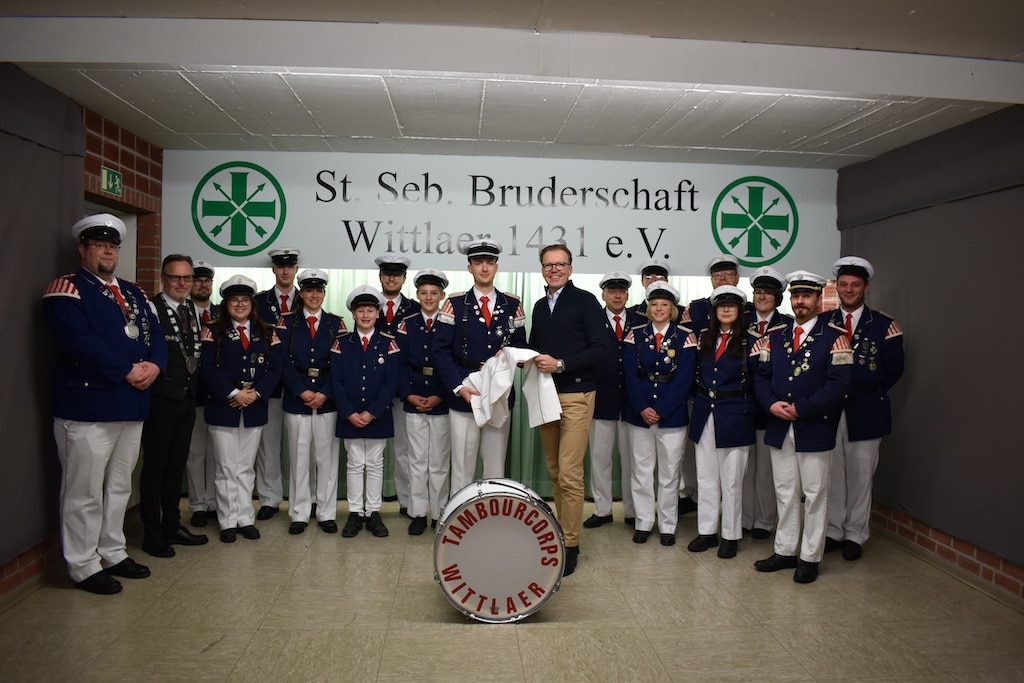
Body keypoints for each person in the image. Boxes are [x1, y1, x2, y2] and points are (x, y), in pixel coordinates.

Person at [43, 213, 166, 594]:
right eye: (99, 245)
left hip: (132, 406)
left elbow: (156, 334)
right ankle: (82, 564)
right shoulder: (67, 289)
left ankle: (112, 550)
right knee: (84, 493)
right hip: (89, 409)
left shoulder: (135, 292)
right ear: (83, 249)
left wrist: (155, 365)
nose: (107, 252)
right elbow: (79, 341)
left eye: (112, 246)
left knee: (119, 487)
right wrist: (126, 370)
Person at [753, 271, 852, 584]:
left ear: (818, 299)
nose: (800, 302)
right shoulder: (775, 336)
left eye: (806, 296)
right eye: (796, 296)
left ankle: (810, 557)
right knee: (785, 492)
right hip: (780, 425)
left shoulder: (835, 337)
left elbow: (839, 384)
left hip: (815, 426)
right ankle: (784, 550)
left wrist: (802, 408)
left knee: (814, 494)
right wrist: (771, 404)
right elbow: (761, 377)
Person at [529, 244, 610, 576]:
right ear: (542, 269)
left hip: (577, 394)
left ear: (571, 268)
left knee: (569, 472)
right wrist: (520, 356)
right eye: (549, 265)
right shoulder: (539, 306)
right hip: (545, 395)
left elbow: (601, 348)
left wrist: (561, 364)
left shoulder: (586, 301)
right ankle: (561, 533)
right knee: (554, 471)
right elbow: (536, 348)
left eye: (560, 264)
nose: (554, 270)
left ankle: (571, 545)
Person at [825, 256, 905, 561]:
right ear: (837, 287)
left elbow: (894, 369)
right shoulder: (824, 323)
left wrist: (868, 391)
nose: (849, 290)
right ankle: (833, 530)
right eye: (844, 284)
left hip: (867, 408)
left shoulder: (885, 325)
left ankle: (855, 534)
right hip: (830, 409)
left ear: (866, 287)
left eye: (855, 285)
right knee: (832, 472)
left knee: (861, 475)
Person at [434, 240, 526, 493]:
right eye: (478, 263)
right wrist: (458, 387)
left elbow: (520, 345)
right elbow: (440, 351)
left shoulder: (512, 304)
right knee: (462, 466)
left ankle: (492, 514)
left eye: (489, 262)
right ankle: (459, 514)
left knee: (495, 467)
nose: (484, 268)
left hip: (499, 393)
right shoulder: (454, 303)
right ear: (470, 268)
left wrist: (509, 354)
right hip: (465, 390)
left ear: (496, 266)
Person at [200, 275, 283, 543]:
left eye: (245, 300)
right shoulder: (213, 330)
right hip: (224, 407)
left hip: (254, 407)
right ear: (226, 304)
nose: (240, 304)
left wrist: (255, 393)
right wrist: (234, 393)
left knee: (246, 467)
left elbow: (275, 368)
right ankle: (227, 520)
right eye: (234, 300)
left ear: (252, 303)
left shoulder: (267, 331)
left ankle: (245, 518)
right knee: (226, 467)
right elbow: (207, 368)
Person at [138, 254, 209, 558]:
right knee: (156, 466)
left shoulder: (190, 309)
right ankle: (152, 533)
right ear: (163, 278)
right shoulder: (151, 308)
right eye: (175, 277)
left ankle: (172, 524)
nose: (182, 283)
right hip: (160, 399)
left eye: (187, 278)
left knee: (176, 464)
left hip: (186, 399)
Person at [623, 282, 697, 548]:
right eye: (654, 304)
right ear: (648, 308)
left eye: (664, 304)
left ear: (672, 309)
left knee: (669, 474)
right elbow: (629, 374)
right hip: (639, 414)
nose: (658, 309)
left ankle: (667, 526)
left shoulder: (685, 337)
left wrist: (662, 409)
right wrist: (643, 407)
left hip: (672, 416)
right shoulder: (635, 335)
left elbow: (685, 379)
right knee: (641, 472)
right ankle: (643, 522)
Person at [686, 285, 758, 559]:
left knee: (732, 481)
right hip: (706, 412)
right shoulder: (705, 337)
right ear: (714, 311)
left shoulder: (751, 340)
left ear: (740, 310)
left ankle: (730, 534)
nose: (726, 310)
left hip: (736, 414)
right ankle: (707, 531)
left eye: (731, 306)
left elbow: (757, 378)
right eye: (721, 306)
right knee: (706, 478)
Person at [278, 269, 347, 535]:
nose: (314, 295)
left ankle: (326, 512)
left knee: (326, 459)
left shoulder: (335, 323)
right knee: (299, 458)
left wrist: (325, 392)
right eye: (309, 290)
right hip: (297, 399)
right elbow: (281, 361)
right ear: (302, 293)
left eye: (318, 291)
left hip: (327, 400)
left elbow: (341, 364)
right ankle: (299, 512)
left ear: (324, 293)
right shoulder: (287, 322)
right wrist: (301, 391)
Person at [331, 285, 401, 538]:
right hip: (350, 414)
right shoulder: (341, 343)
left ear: (378, 313)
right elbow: (336, 381)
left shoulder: (388, 343)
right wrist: (349, 412)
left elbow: (391, 382)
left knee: (374, 464)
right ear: (353, 314)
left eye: (370, 310)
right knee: (354, 463)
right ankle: (354, 513)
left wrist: (373, 412)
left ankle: (372, 512)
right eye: (360, 311)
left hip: (377, 415)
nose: (365, 315)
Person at [583, 271, 644, 529]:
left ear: (628, 295)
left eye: (621, 291)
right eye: (612, 291)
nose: (617, 295)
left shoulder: (640, 321)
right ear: (603, 295)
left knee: (632, 460)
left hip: (632, 401)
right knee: (600, 458)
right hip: (601, 398)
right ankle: (603, 509)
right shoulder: (593, 320)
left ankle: (632, 511)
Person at [396, 269, 451, 534]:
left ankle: (439, 513)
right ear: (417, 295)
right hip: (414, 397)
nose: (428, 298)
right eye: (423, 293)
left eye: (434, 293)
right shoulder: (406, 324)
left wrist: (440, 395)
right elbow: (398, 364)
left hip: (441, 399)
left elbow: (452, 363)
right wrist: (408, 394)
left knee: (439, 461)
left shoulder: (450, 323)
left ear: (442, 295)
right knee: (416, 460)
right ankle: (417, 512)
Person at [741, 266, 792, 540]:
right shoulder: (741, 323)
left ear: (777, 298)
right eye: (758, 292)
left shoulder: (787, 326)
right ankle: (744, 518)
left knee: (766, 471)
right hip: (741, 408)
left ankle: (764, 520)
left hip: (770, 409)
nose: (762, 297)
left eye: (768, 293)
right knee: (744, 470)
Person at [253, 247, 301, 521]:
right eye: (280, 266)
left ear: (296, 270)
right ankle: (270, 499)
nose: (285, 271)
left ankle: (303, 498)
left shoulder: (307, 298)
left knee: (300, 447)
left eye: (290, 266)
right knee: (268, 445)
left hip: (299, 383)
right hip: (269, 383)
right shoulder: (259, 301)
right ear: (273, 269)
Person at [375, 253, 421, 518]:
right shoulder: (368, 304)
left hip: (405, 388)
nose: (391, 278)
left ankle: (406, 501)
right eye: (387, 274)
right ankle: (371, 504)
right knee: (373, 449)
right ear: (380, 277)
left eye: (396, 274)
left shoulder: (415, 308)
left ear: (404, 279)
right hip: (374, 387)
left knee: (405, 449)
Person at [185, 260, 218, 527]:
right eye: (197, 280)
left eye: (207, 280)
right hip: (192, 392)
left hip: (219, 394)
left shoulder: (222, 312)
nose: (202, 285)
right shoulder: (181, 312)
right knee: (196, 452)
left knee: (218, 454)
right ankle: (197, 505)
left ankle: (215, 502)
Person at [681, 254, 741, 333]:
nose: (722, 278)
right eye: (717, 275)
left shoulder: (748, 310)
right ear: (711, 280)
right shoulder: (694, 309)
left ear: (737, 278)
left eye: (728, 274)